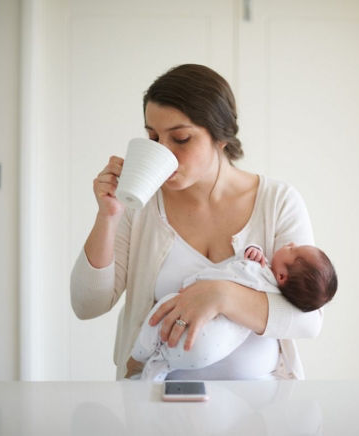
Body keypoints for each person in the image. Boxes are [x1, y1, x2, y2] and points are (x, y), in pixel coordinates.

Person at [71, 63, 324, 380]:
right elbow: (87, 304)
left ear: (221, 138)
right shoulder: (142, 205)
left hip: (260, 413)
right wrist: (107, 216)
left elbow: (308, 319)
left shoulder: (278, 201)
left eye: (180, 138)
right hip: (153, 409)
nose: (163, 151)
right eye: (153, 137)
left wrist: (221, 296)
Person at [130, 243, 338, 380]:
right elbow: (239, 265)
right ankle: (150, 358)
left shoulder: (269, 285)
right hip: (195, 359)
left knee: (168, 319)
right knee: (169, 321)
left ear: (282, 277)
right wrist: (253, 251)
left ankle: (145, 353)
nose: (290, 244)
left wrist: (221, 294)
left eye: (293, 251)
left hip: (217, 343)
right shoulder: (267, 273)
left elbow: (310, 321)